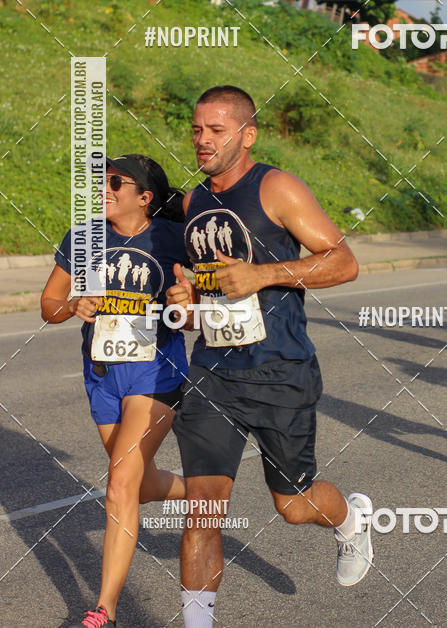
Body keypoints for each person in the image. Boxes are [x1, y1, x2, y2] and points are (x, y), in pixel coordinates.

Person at [166, 85, 372, 628]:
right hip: (213, 371)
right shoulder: (192, 203)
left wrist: (264, 273)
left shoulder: (276, 187)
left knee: (293, 506)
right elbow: (208, 296)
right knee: (201, 511)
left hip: (280, 369)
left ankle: (351, 520)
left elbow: (344, 262)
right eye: (196, 130)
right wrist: (187, 304)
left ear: (247, 134)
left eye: (216, 130)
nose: (203, 140)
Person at [41, 155, 190, 627]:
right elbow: (48, 305)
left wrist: (187, 303)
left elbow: (206, 306)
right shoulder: (84, 237)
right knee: (138, 485)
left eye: (116, 182)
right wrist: (73, 305)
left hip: (156, 372)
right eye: (102, 181)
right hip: (102, 373)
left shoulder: (172, 239)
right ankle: (202, 488)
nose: (104, 188)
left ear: (145, 197)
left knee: (119, 484)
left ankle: (103, 609)